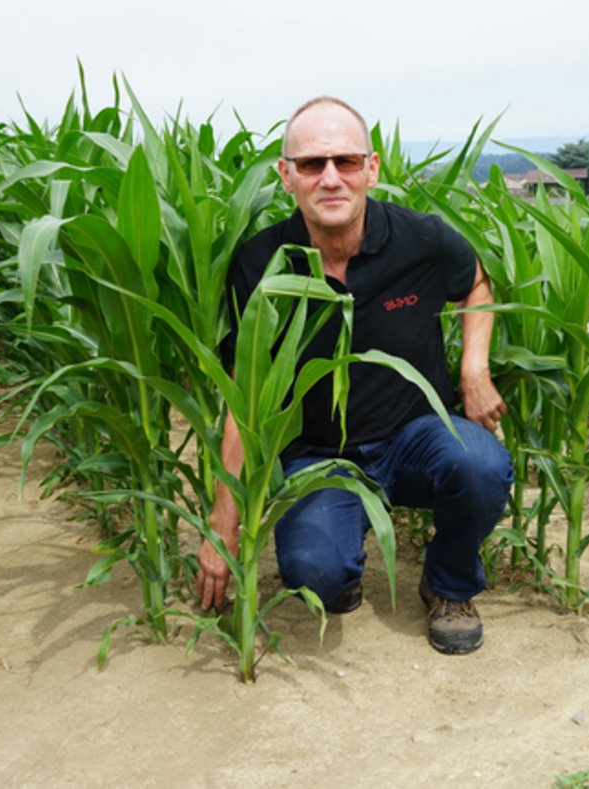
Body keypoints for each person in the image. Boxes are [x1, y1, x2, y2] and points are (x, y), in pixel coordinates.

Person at [194, 96, 513, 655]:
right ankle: (344, 543)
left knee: (482, 465)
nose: (330, 178)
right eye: (312, 164)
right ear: (286, 176)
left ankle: (450, 584)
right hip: (319, 456)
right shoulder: (263, 263)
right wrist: (223, 522)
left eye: (345, 161)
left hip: (416, 437)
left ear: (372, 168)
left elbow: (477, 283)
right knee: (315, 574)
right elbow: (244, 398)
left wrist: (474, 369)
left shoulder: (421, 240)